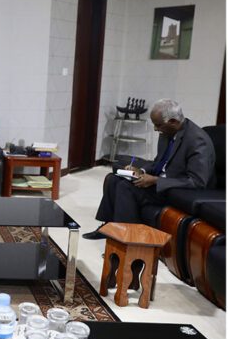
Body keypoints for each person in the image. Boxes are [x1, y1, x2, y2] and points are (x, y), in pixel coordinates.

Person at [83, 99, 216, 240]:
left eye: (158, 125)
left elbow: (197, 181)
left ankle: (128, 238)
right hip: (161, 181)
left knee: (125, 187)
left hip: (175, 189)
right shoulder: (168, 132)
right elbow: (159, 162)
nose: (155, 129)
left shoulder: (197, 140)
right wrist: (141, 170)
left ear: (172, 121)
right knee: (113, 179)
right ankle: (108, 227)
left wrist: (155, 181)